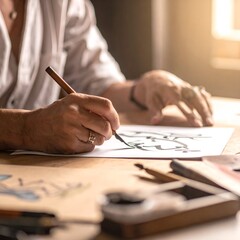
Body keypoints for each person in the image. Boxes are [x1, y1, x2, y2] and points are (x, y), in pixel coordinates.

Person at [0, 0, 213, 154]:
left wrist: (141, 90)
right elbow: (29, 127)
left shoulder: (65, 3)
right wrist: (25, 129)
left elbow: (96, 84)